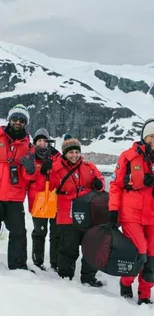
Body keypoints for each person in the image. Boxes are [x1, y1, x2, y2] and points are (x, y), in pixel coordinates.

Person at [37, 134, 106, 286]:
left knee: (91, 245)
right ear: (65, 153)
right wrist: (44, 172)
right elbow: (46, 187)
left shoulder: (89, 167)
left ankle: (88, 277)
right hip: (66, 212)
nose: (74, 155)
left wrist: (99, 184)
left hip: (88, 213)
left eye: (76, 152)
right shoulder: (56, 167)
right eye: (70, 152)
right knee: (69, 246)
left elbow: (100, 181)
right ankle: (65, 277)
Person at [108, 118, 154, 305]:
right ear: (144, 138)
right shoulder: (128, 157)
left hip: (153, 216)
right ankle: (125, 281)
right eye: (151, 136)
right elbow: (116, 185)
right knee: (139, 252)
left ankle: (145, 295)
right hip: (131, 215)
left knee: (152, 257)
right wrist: (113, 210)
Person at [0, 104, 36, 270]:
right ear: (9, 119)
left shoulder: (28, 147)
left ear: (25, 123)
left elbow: (29, 178)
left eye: (22, 120)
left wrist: (29, 170)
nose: (18, 122)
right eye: (15, 118)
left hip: (14, 197)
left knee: (19, 233)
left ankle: (18, 266)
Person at [28, 128, 60, 271]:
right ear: (35, 143)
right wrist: (36, 171)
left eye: (44, 140)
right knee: (40, 232)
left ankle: (55, 262)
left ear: (48, 142)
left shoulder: (57, 157)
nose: (41, 143)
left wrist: (51, 169)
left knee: (56, 233)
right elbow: (25, 178)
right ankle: (37, 261)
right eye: (38, 140)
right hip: (38, 201)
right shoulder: (30, 157)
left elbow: (61, 177)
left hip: (54, 200)